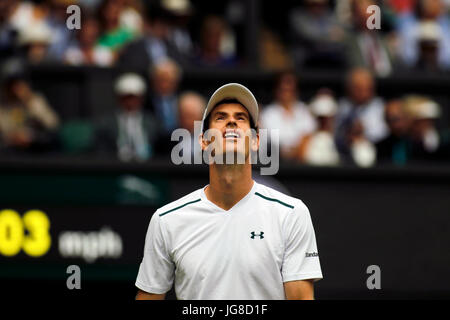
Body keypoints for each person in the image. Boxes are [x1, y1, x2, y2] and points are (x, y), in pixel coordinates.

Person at [135, 83, 323, 300]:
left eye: (241, 118)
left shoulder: (291, 214)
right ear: (204, 141)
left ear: (255, 141)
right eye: (221, 117)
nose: (232, 121)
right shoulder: (166, 220)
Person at [95, 72, 157, 162]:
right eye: (126, 98)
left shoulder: (152, 122)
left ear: (141, 98)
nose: (130, 102)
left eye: (134, 98)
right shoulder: (106, 123)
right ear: (118, 98)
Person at [260, 71, 317, 160]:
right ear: (276, 90)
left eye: (290, 89)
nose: (287, 93)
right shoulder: (267, 114)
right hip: (278, 165)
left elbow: (308, 137)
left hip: (303, 164)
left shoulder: (304, 111)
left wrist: (298, 151)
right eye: (283, 89)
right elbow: (273, 145)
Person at [336, 68, 388, 145]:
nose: (363, 93)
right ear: (348, 89)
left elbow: (384, 134)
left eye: (366, 88)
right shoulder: (341, 107)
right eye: (358, 88)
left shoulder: (382, 108)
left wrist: (363, 133)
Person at [297, 92, 340, 166]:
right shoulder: (306, 140)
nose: (324, 121)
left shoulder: (340, 139)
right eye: (320, 118)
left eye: (327, 117)